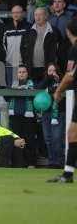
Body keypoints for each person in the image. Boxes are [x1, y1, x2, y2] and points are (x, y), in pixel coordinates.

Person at [48, 19, 77, 183]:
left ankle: (68, 174)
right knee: (73, 133)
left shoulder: (75, 49)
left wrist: (58, 91)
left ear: (68, 32)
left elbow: (70, 76)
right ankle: (68, 174)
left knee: (72, 133)